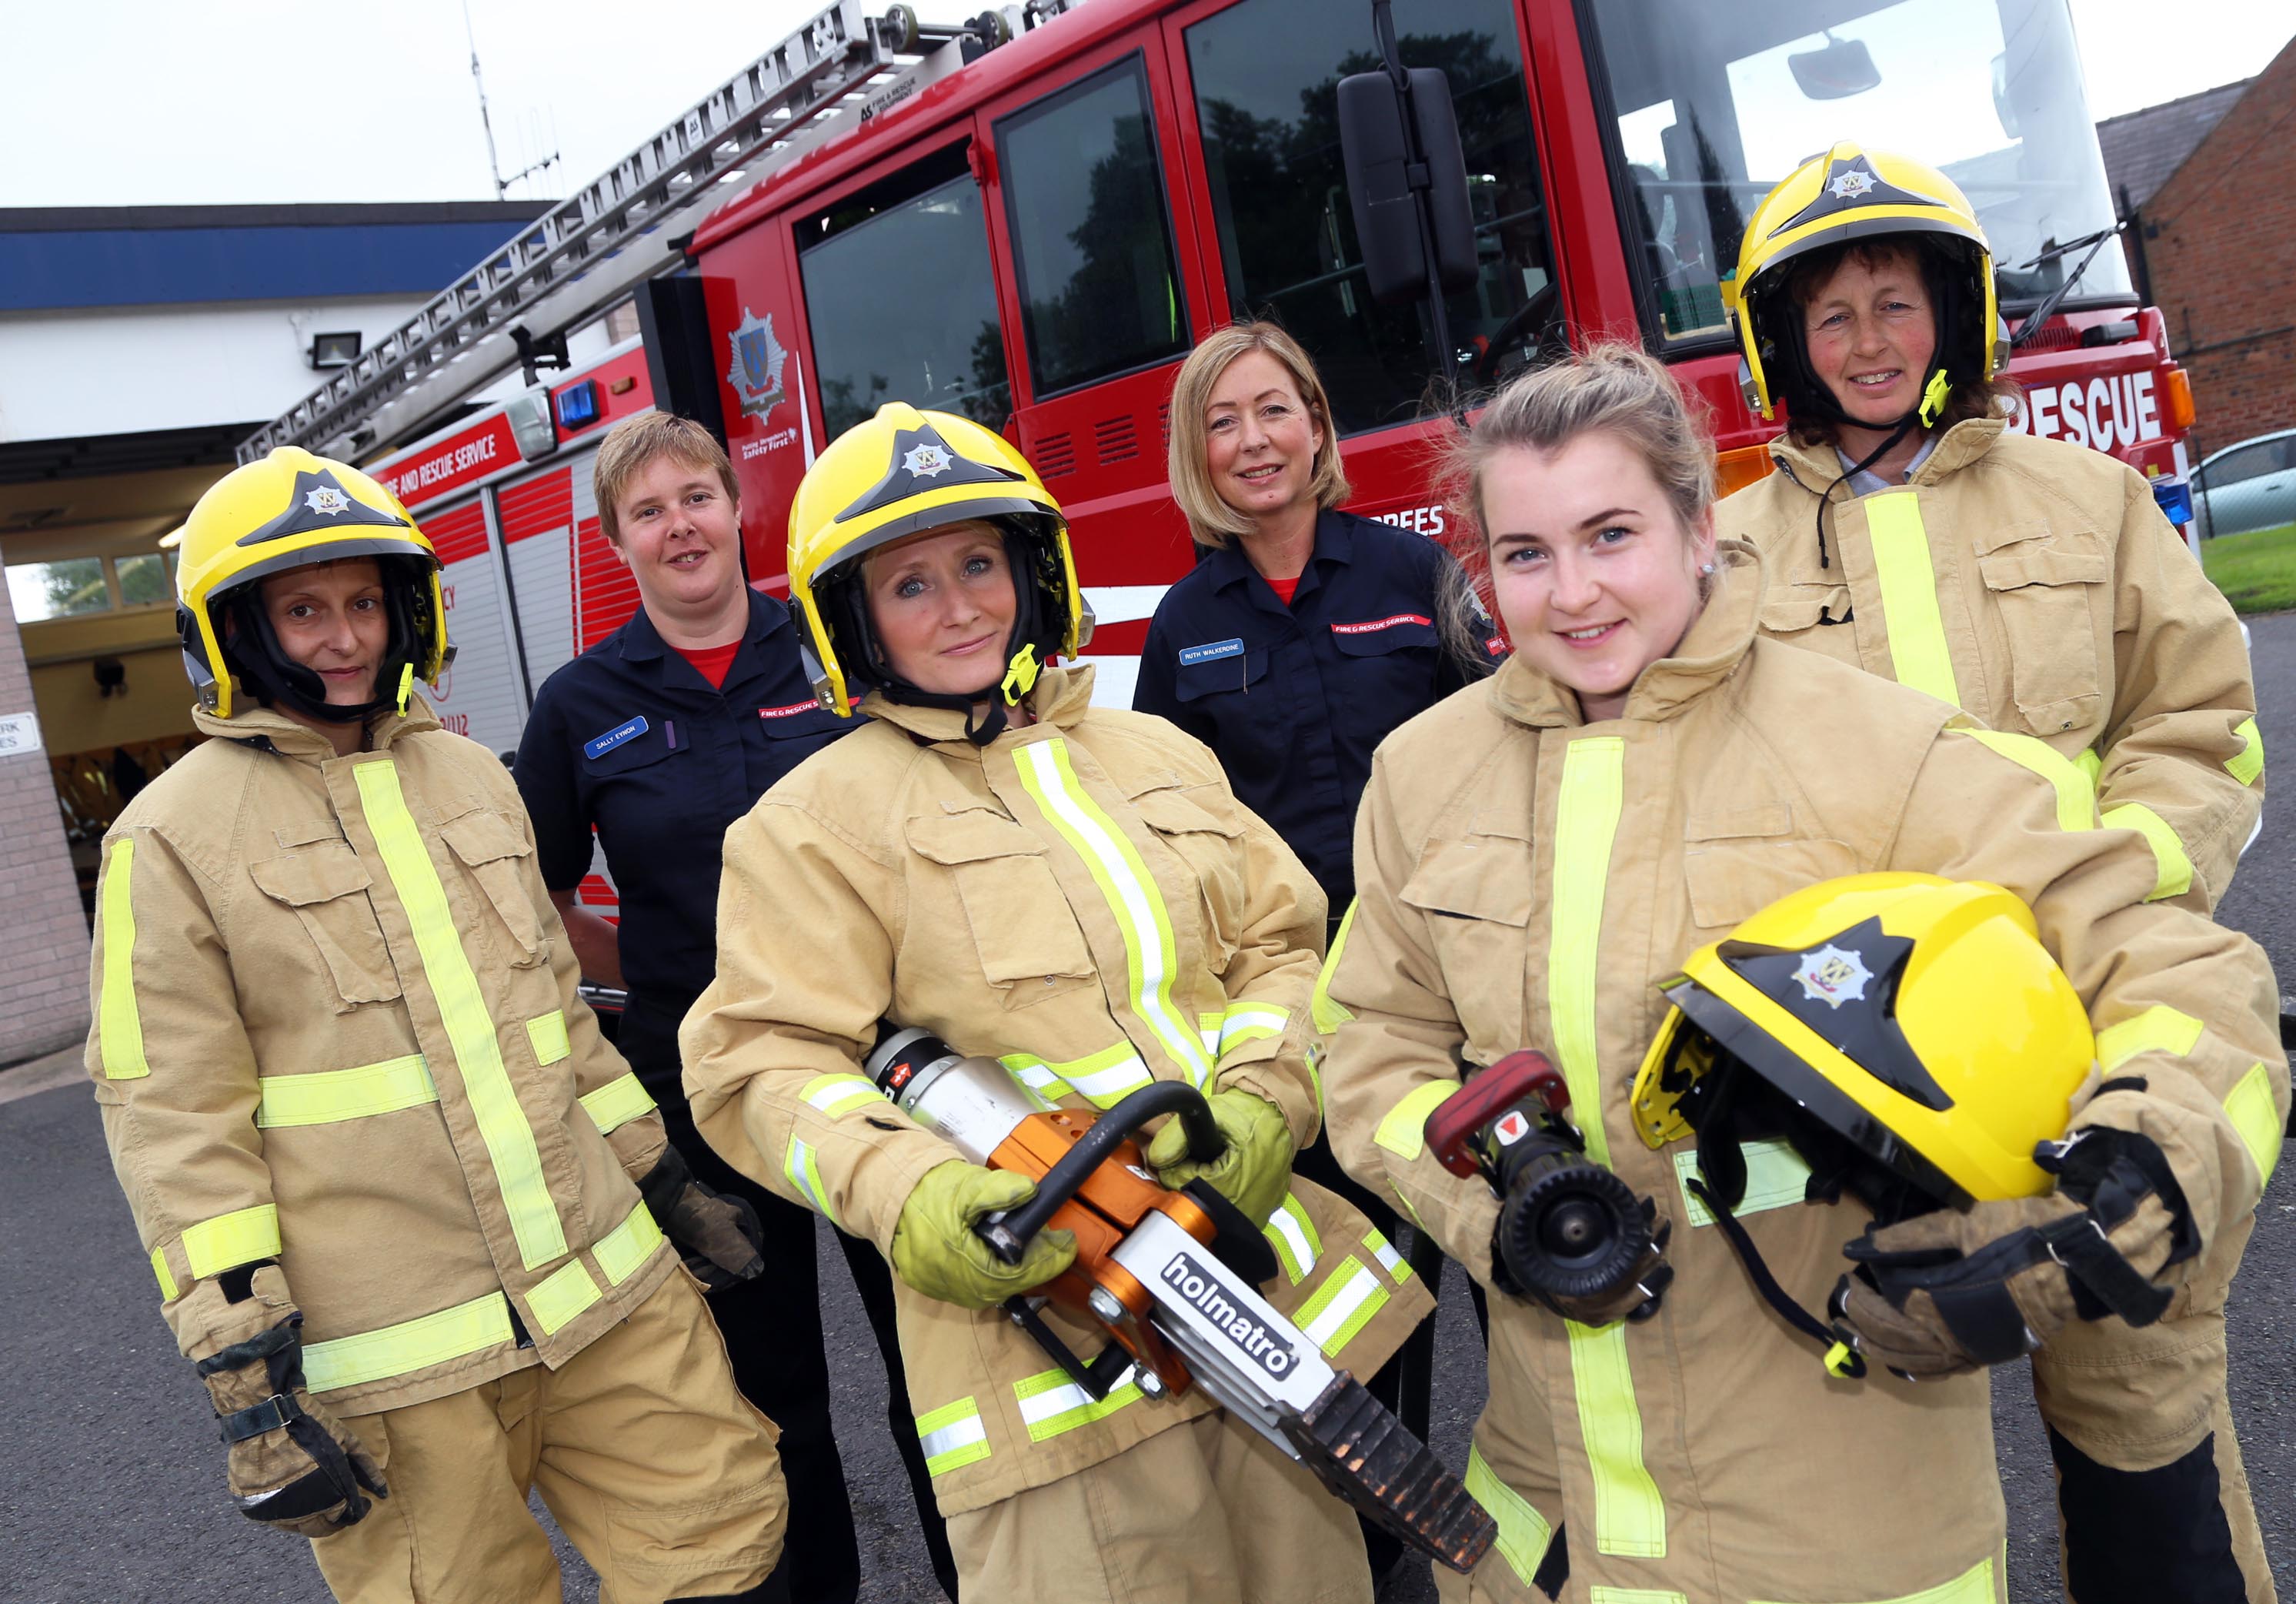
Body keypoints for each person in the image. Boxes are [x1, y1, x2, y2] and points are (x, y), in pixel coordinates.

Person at [1317, 348, 2284, 1603]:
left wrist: (2127, 1180)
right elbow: (1369, 1039)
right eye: (1525, 553)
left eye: (1612, 534)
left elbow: (2170, 969)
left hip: (1838, 1538)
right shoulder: (1420, 774)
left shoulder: (1883, 751)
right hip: (1549, 1530)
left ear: (1697, 525)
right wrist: (1489, 1206)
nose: (1572, 594)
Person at [681, 402, 1435, 1602]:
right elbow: (757, 1064)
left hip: (1263, 1322)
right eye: (910, 586)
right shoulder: (812, 827)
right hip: (1054, 1370)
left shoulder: (1154, 756)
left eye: (980, 563)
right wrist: (913, 1193)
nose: (963, 606)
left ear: (1036, 571)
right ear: (851, 622)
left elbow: (1288, 947)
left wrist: (1260, 1103)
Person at [85, 447, 789, 1604]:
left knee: (728, 1549)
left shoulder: (473, 778)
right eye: (304, 609)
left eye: (365, 602)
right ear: (230, 630)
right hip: (402, 1358)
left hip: (606, 1295)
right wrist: (243, 1375)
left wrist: (661, 1178)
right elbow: (173, 1120)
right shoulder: (167, 841)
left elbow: (557, 1022)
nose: (346, 637)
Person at [1717, 143, 2273, 1602]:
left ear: (1955, 314)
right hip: (1845, 1061)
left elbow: (2202, 729)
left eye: (1896, 304)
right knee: (1859, 1428)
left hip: (2078, 1034)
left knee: (2141, 1417)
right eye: (1833, 318)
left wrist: (2122, 887)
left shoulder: (2089, 505)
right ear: (1785, 346)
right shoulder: (1720, 556)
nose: (1871, 345)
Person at [512, 413, 953, 1604]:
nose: (679, 526)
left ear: (735, 502)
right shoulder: (578, 704)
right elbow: (543, 892)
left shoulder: (829, 650)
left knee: (939, 1362)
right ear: (617, 541)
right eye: (648, 512)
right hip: (707, 1093)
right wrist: (669, 978)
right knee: (775, 1394)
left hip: (882, 1066)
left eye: (696, 497)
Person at [1133, 323, 1491, 1566]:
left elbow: (1505, 752)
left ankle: (1527, 1549)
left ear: (1320, 425)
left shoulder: (1412, 577)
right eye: (1223, 423)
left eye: (1274, 410)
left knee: (1498, 1272)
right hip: (1305, 1022)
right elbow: (1171, 838)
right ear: (1199, 456)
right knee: (1360, 1312)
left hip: (1459, 1000)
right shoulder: (1184, 629)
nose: (1254, 442)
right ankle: (1381, 1557)